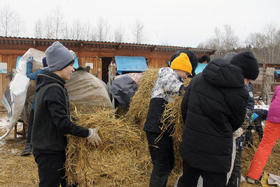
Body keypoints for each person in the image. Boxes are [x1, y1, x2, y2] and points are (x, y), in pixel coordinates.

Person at [178, 51, 259, 187]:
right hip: (217, 155)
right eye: (248, 79)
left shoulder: (198, 78)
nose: (247, 84)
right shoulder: (240, 93)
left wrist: (193, 129)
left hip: (192, 146)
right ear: (241, 73)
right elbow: (236, 122)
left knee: (187, 181)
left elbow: (184, 108)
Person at [31, 41, 102, 187]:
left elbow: (59, 116)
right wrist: (87, 133)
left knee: (70, 182)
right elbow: (62, 123)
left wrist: (78, 122)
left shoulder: (54, 85)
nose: (73, 69)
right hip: (48, 151)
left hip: (53, 147)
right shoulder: (53, 89)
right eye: (70, 65)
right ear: (60, 66)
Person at [144, 49, 198, 187]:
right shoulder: (167, 73)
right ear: (180, 68)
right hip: (156, 128)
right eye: (186, 73)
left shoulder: (176, 78)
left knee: (169, 164)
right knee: (161, 167)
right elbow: (172, 85)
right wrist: (187, 90)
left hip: (164, 130)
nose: (186, 77)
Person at [247, 85, 280, 184]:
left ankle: (252, 176)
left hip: (274, 116)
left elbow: (274, 101)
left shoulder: (278, 88)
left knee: (265, 146)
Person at [21, 56, 48, 156]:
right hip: (47, 105)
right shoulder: (55, 73)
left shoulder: (40, 72)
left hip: (37, 104)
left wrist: (29, 63)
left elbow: (29, 75)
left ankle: (28, 146)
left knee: (32, 125)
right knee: (45, 126)